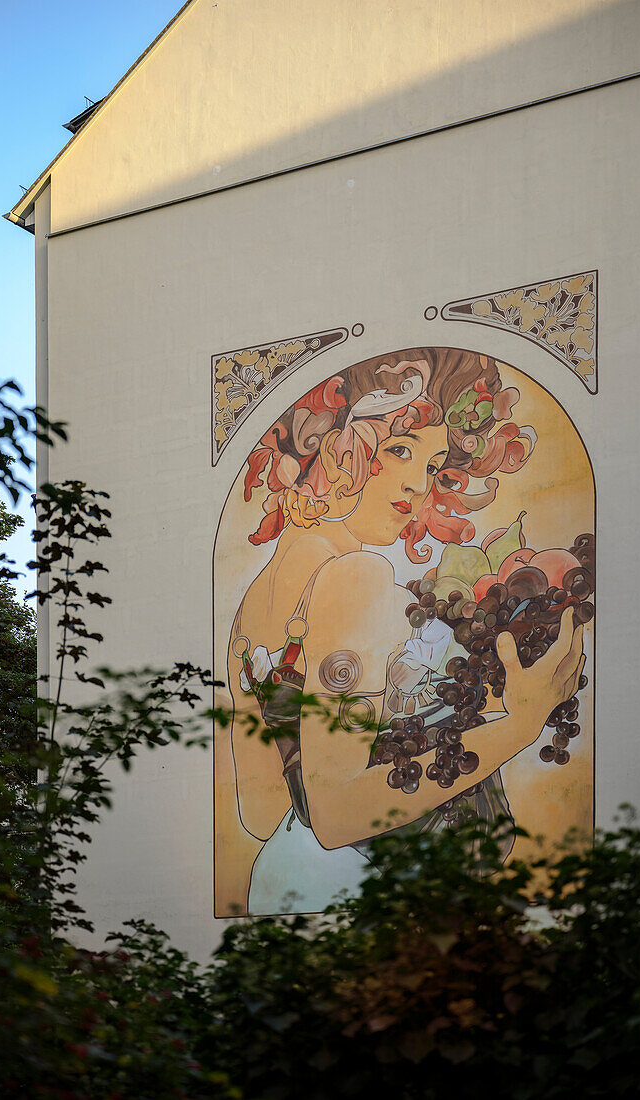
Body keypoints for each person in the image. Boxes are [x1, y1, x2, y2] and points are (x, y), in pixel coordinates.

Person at [227, 347, 585, 915]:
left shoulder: (251, 608)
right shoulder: (356, 577)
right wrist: (519, 725)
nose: (419, 485)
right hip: (367, 895)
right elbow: (339, 816)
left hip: (287, 884)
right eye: (397, 449)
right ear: (333, 449)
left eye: (433, 464)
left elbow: (261, 809)